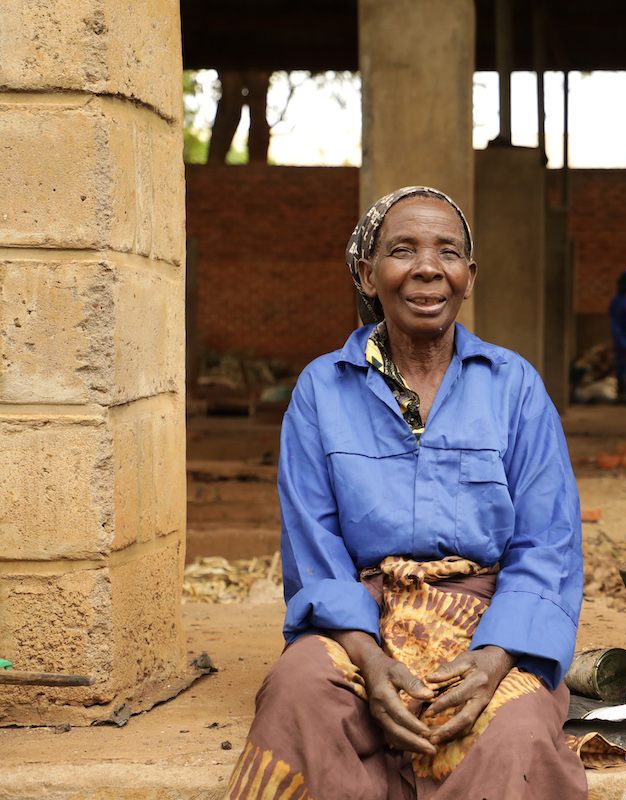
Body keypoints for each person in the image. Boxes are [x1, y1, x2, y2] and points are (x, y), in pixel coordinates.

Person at [223, 187, 587, 800]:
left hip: (488, 626)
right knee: (297, 695)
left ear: (468, 278)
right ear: (369, 275)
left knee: (516, 734)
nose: (426, 266)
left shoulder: (515, 386)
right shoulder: (320, 390)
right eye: (402, 250)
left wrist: (497, 658)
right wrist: (368, 659)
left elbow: (548, 542)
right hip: (359, 625)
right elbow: (315, 549)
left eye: (448, 252)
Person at [608, 270, 626, 403]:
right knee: (622, 367)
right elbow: (616, 325)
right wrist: (622, 342)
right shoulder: (618, 302)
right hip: (624, 340)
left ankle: (625, 394)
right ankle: (622, 395)